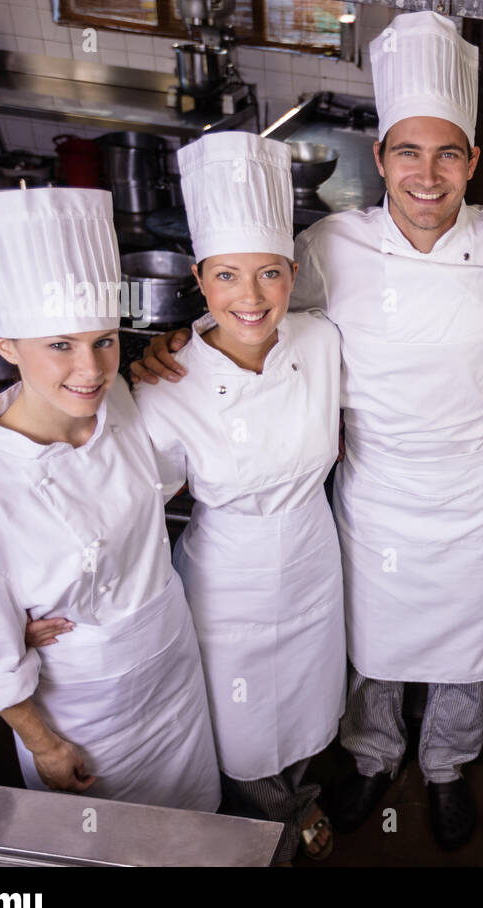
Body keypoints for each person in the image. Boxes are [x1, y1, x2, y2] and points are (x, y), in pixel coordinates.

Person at [129, 10, 483, 849]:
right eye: (408, 150)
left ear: (474, 161)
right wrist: (179, 338)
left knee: (467, 652)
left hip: (474, 489)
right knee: (370, 642)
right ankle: (373, 754)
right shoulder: (330, 246)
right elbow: (252, 307)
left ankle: (445, 764)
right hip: (372, 485)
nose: (428, 174)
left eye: (449, 153)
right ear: (379, 159)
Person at [0, 186, 220, 811]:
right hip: (86, 710)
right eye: (59, 344)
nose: (90, 369)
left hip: (173, 666)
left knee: (195, 827)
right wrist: (45, 745)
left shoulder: (115, 403)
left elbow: (165, 474)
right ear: (7, 345)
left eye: (104, 339)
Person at [128, 131, 346, 864]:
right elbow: (133, 509)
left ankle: (298, 791)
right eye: (227, 277)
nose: (249, 298)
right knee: (240, 713)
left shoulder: (321, 342)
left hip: (315, 549)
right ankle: (268, 817)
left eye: (269, 275)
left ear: (292, 273)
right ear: (199, 276)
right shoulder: (165, 383)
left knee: (311, 695)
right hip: (228, 575)